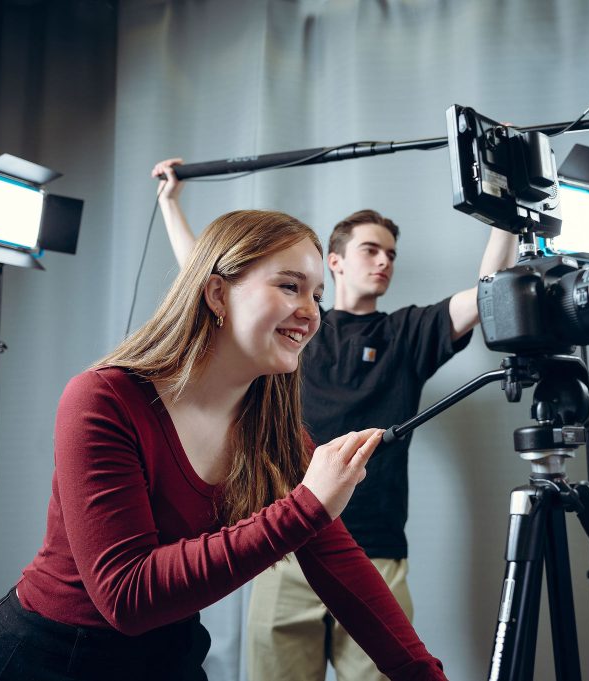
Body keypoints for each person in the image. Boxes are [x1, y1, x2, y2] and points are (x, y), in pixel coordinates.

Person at [0, 209, 448, 681]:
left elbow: (339, 565)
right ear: (218, 293)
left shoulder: (275, 433)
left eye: (317, 295)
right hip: (57, 658)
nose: (310, 312)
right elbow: (127, 596)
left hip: (171, 653)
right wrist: (306, 507)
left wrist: (425, 674)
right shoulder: (103, 399)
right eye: (289, 286)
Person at [152, 159, 516, 681]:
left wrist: (504, 209)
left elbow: (488, 294)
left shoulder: (407, 335)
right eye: (371, 250)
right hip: (284, 550)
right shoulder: (291, 329)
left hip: (376, 557)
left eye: (391, 253)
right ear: (335, 262)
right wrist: (170, 203)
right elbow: (210, 279)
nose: (384, 261)